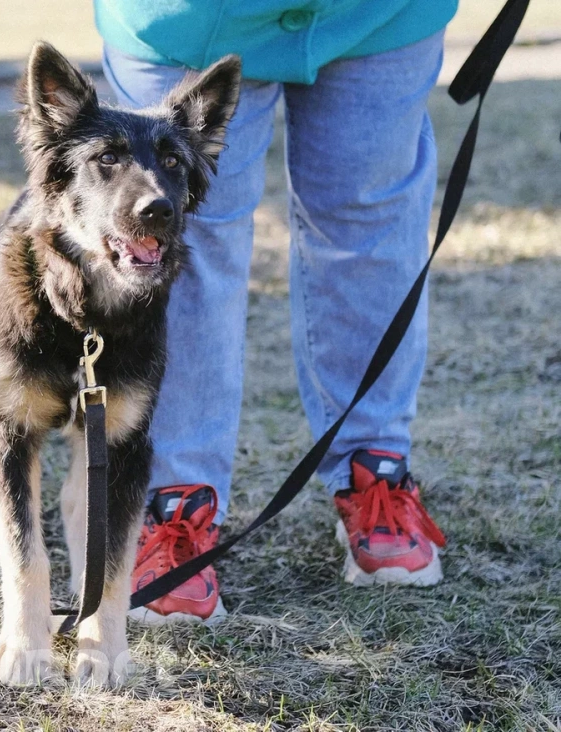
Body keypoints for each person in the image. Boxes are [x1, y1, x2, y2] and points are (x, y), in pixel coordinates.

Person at [94, 0, 456, 623]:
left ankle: (378, 476)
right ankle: (173, 503)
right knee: (176, 237)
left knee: (371, 224)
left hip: (381, 15)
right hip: (188, 18)